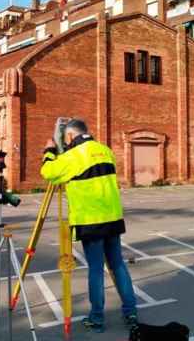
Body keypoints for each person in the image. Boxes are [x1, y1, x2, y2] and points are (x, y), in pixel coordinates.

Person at [40, 119, 137, 333]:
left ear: (70, 136)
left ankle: (97, 319)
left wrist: (49, 150)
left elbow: (48, 173)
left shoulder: (72, 157)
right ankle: (131, 312)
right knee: (117, 264)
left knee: (96, 269)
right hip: (112, 219)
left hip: (90, 222)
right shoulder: (105, 150)